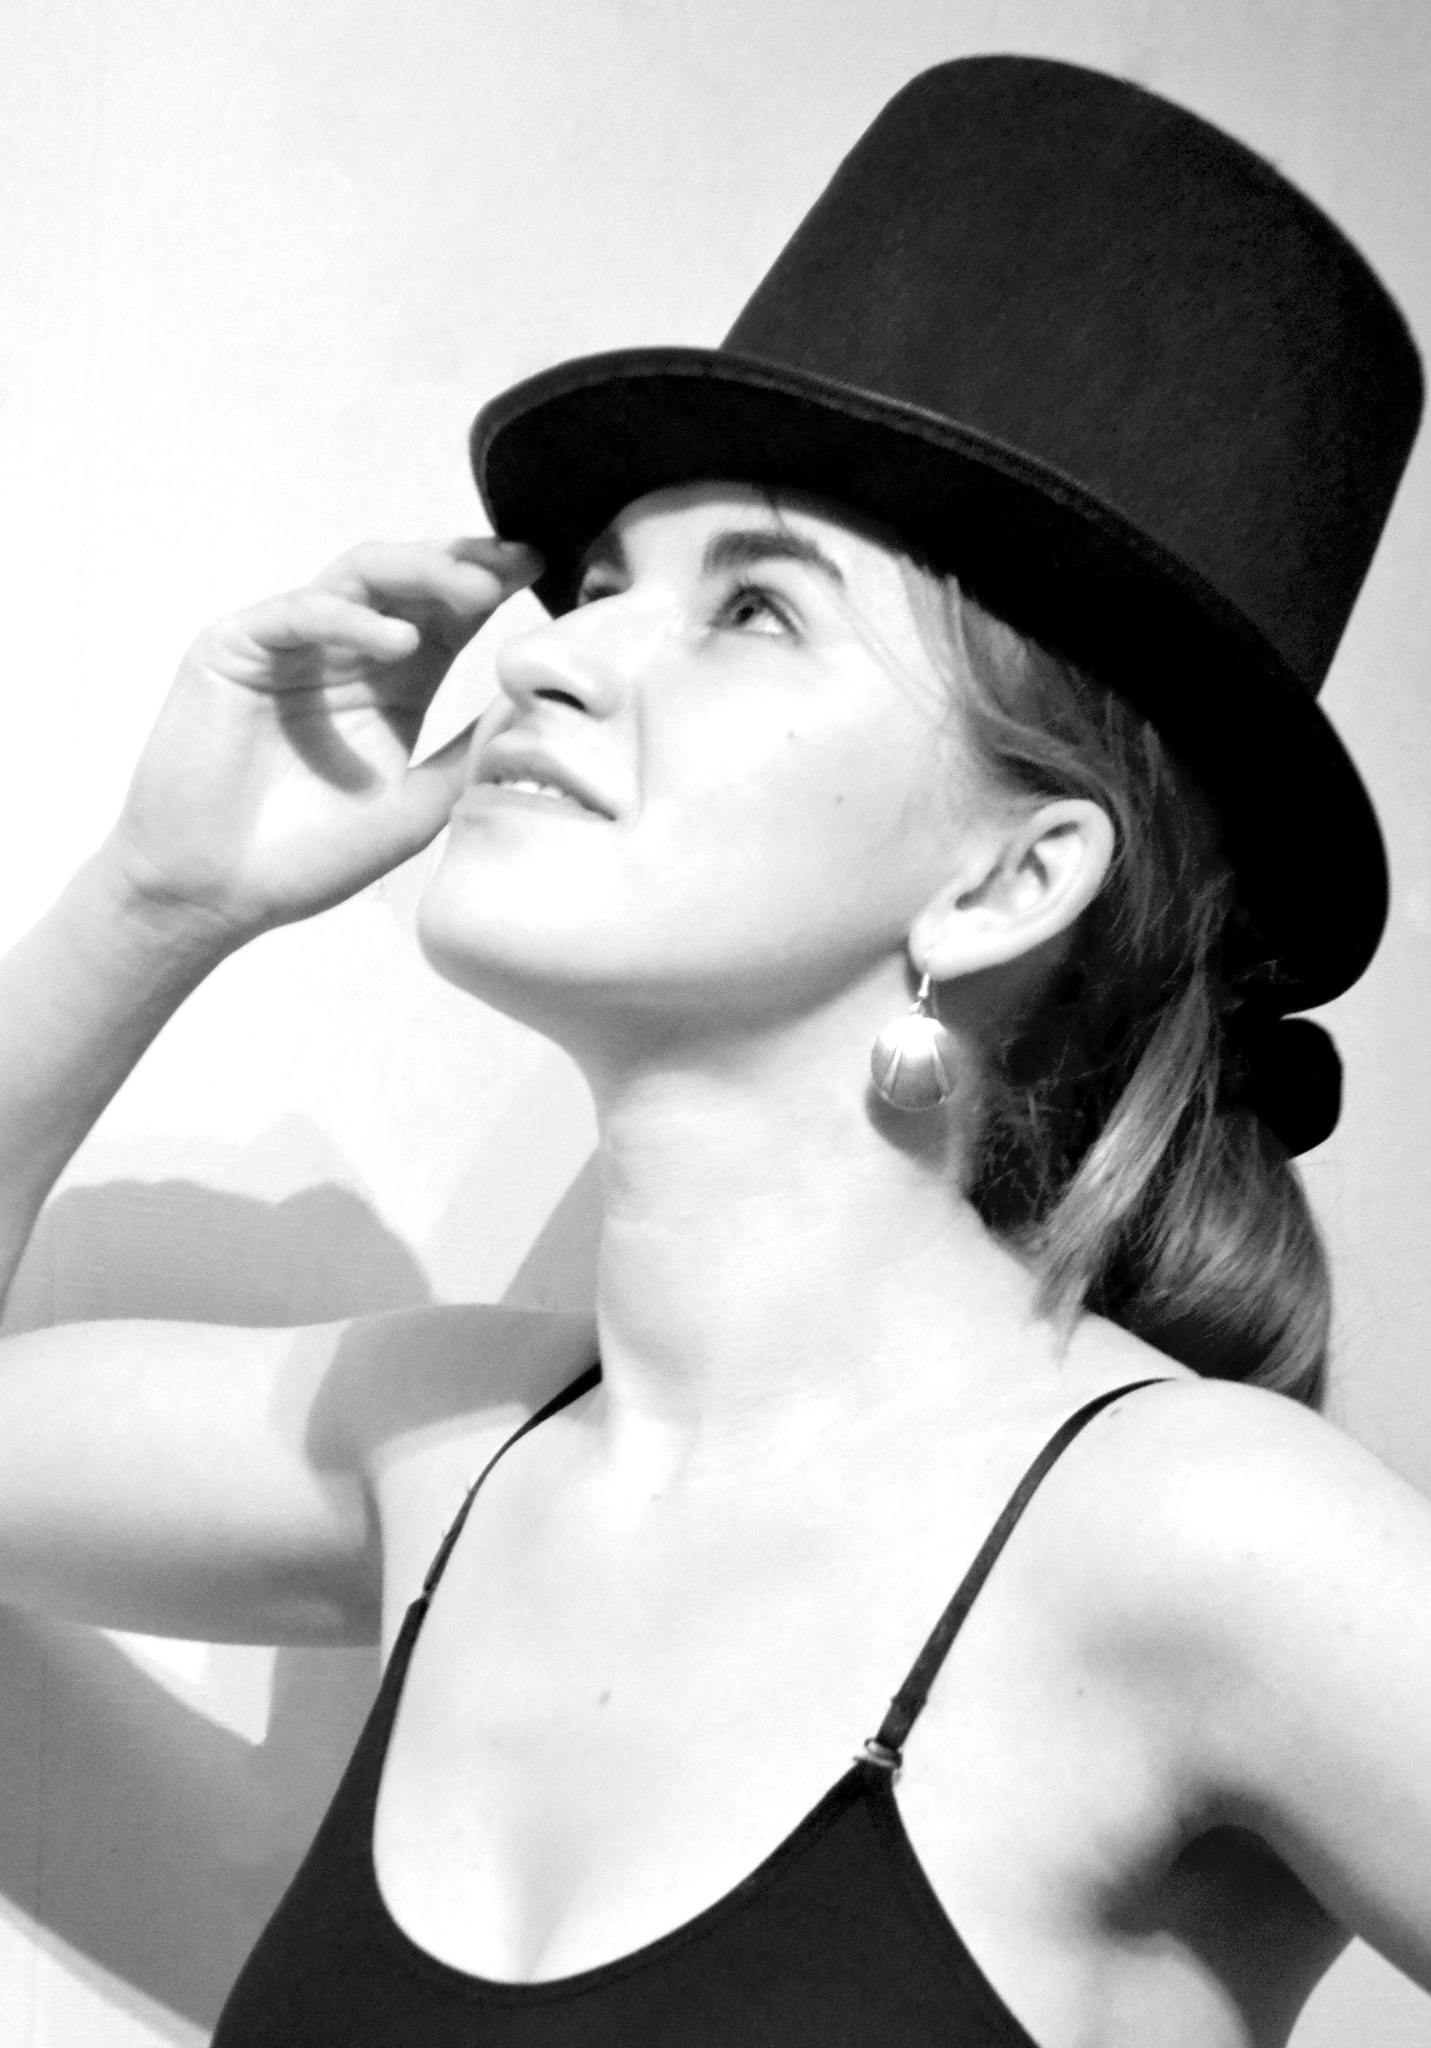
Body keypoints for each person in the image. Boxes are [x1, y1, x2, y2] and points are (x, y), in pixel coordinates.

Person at [1, 53, 1428, 2048]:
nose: (552, 653)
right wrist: (156, 899)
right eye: (599, 586)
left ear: (1009, 877)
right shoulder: (452, 1453)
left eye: (752, 608)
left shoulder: (1191, 1537)